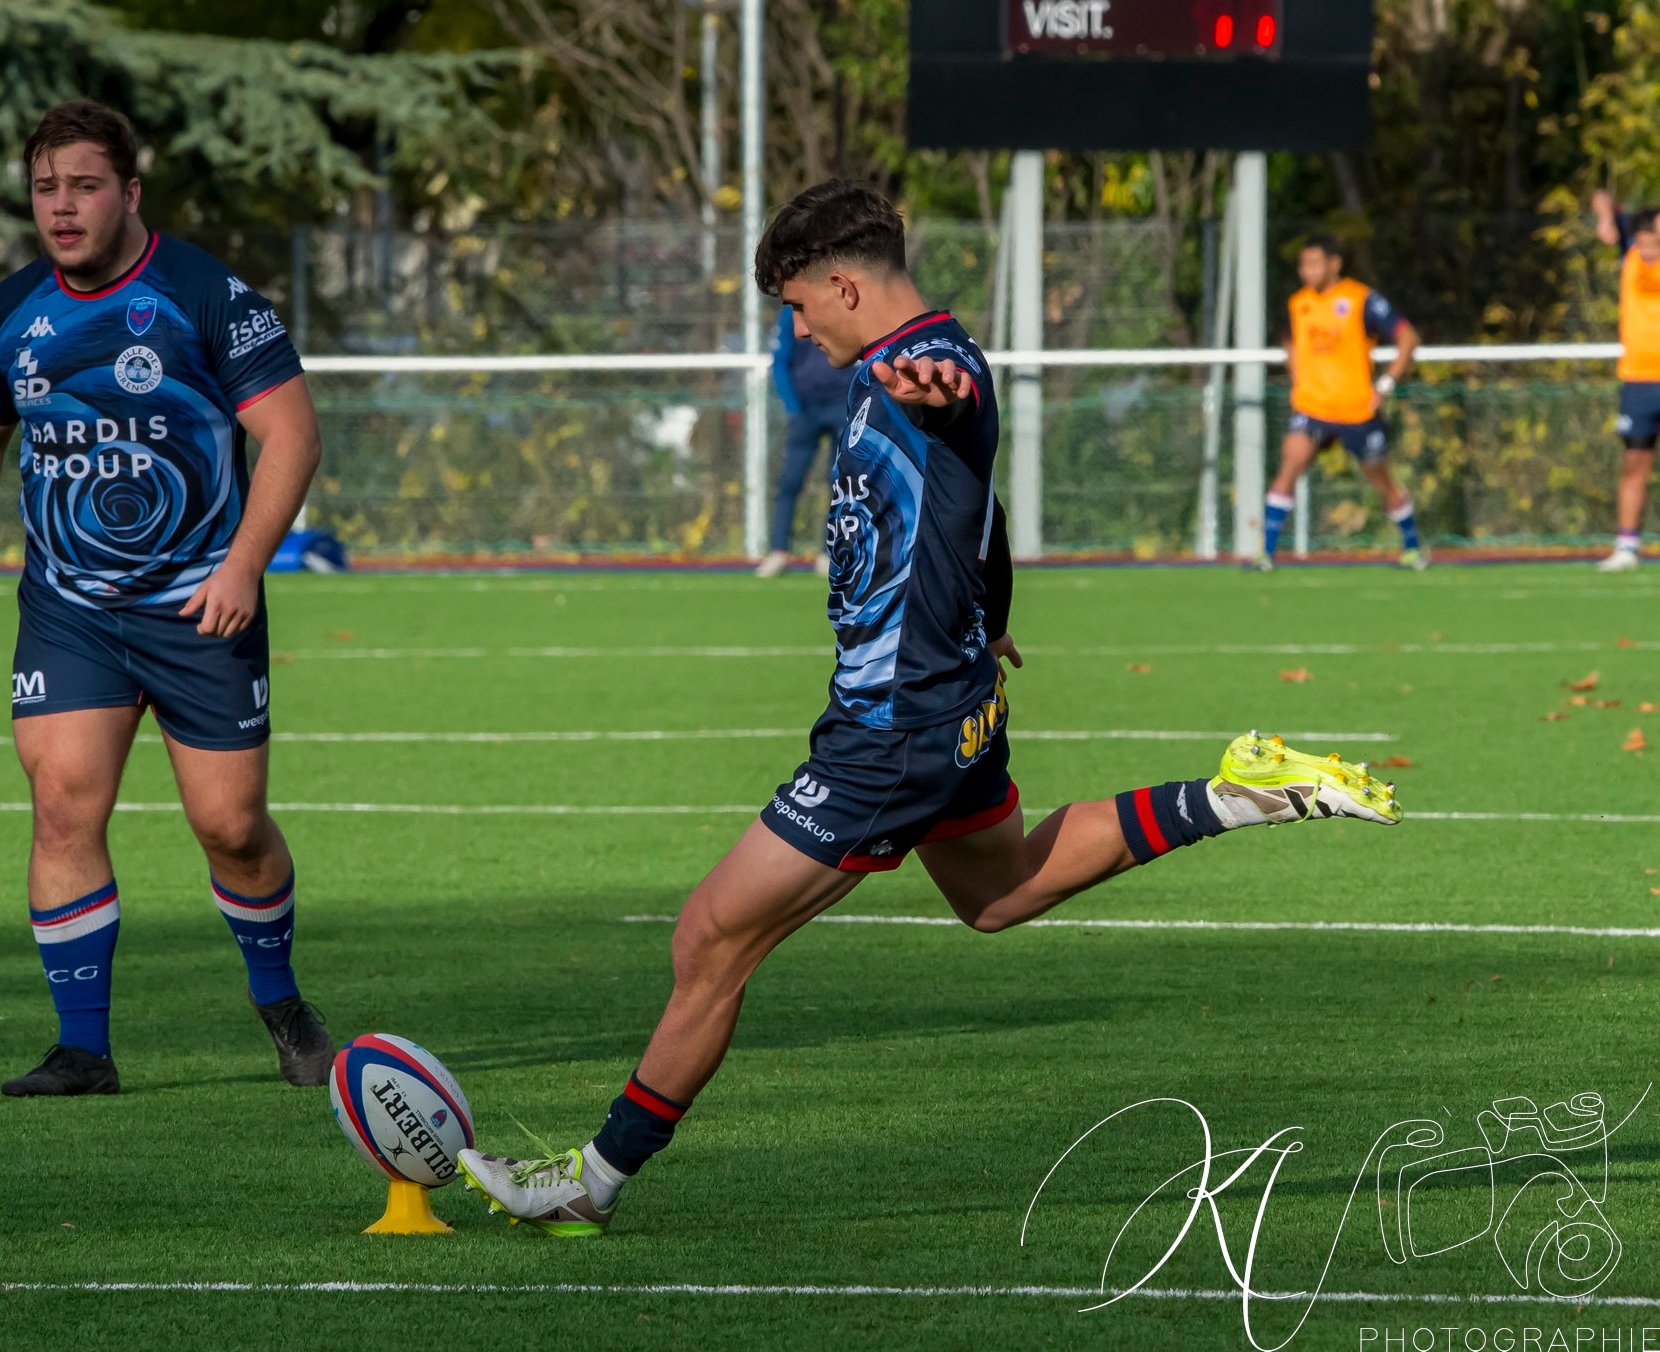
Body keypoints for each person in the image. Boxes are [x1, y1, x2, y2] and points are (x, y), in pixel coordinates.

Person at [455, 180, 1402, 1236]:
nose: (798, 331)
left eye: (799, 307)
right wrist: (982, 611)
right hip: (946, 700)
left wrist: (933, 387)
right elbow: (977, 501)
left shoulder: (924, 368)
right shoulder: (886, 365)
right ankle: (1239, 793)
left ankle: (588, 1180)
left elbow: (951, 404)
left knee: (709, 937)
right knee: (997, 891)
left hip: (892, 730)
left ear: (843, 283)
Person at [0, 100, 333, 1097]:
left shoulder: (207, 296)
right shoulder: (12, 310)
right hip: (70, 610)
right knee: (62, 804)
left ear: (130, 191)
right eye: (45, 188)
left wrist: (242, 565)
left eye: (85, 185)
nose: (61, 208)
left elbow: (291, 435)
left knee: (231, 826)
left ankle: (278, 1000)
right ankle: (83, 1047)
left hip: (201, 605)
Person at [1250, 236, 1423, 571]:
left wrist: (1385, 385)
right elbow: (1289, 339)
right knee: (1290, 465)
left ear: (1334, 264)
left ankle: (1413, 547)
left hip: (1356, 409)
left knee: (1381, 480)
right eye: (1303, 265)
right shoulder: (1298, 303)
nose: (1307, 271)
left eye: (1314, 264)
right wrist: (1299, 376)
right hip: (1312, 407)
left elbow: (1408, 337)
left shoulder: (1360, 299)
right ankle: (1266, 554)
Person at [755, 302, 857, 577]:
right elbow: (780, 360)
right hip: (805, 410)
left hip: (842, 408)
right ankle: (778, 551)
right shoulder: (791, 312)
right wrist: (793, 405)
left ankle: (829, 553)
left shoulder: (847, 306)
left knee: (840, 482)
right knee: (790, 480)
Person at [1590, 193, 1660, 573]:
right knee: (1635, 461)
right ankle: (1627, 545)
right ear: (1643, 236)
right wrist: (1603, 217)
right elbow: (1602, 197)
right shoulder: (1630, 254)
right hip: (1638, 380)